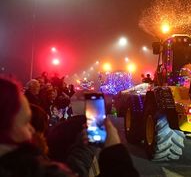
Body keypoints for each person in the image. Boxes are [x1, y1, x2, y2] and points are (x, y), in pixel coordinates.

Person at [0, 76, 140, 177]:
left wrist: (83, 145)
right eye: (25, 122)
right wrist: (114, 149)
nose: (32, 129)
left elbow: (71, 171)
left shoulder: (18, 165)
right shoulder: (25, 168)